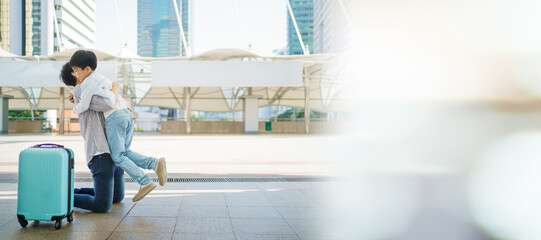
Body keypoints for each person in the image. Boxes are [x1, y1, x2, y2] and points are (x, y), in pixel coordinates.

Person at [67, 50, 167, 202]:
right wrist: (113, 89)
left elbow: (104, 102)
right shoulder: (100, 79)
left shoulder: (85, 85)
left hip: (115, 117)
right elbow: (114, 86)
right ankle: (154, 163)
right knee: (125, 152)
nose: (75, 74)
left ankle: (145, 182)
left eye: (76, 71)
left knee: (117, 156)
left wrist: (77, 104)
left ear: (86, 69)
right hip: (127, 112)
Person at [60, 62, 124, 212]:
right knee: (102, 206)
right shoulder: (80, 90)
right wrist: (115, 88)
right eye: (81, 68)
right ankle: (60, 196)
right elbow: (110, 103)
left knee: (116, 197)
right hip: (101, 153)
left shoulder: (90, 88)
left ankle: (73, 191)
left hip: (114, 151)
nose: (91, 71)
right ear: (74, 73)